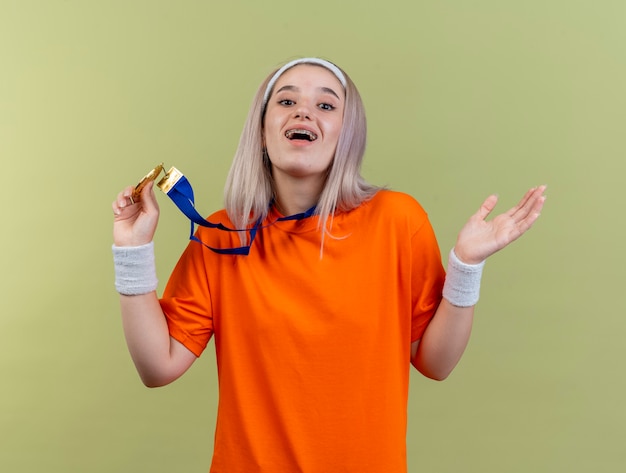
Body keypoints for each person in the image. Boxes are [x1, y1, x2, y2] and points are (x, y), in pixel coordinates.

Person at [112, 57, 546, 473]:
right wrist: (132, 252)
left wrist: (466, 266)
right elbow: (158, 367)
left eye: (325, 104)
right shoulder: (222, 235)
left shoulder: (398, 221)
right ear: (262, 132)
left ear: (347, 135)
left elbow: (437, 362)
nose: (303, 112)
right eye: (285, 101)